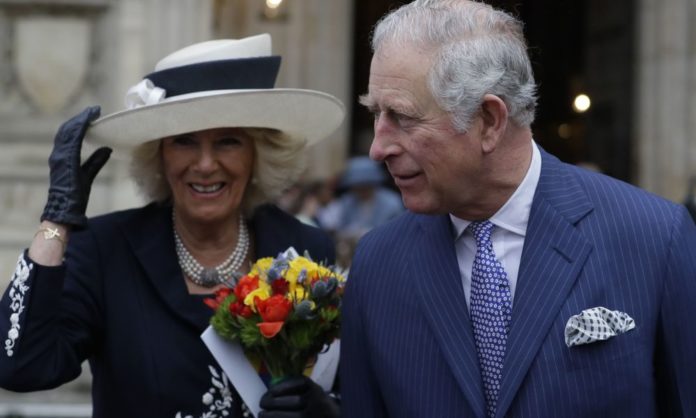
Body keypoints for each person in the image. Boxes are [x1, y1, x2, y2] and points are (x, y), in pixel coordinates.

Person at [340, 1, 696, 418]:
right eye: (375, 114)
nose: (378, 148)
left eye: (401, 116)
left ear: (490, 120)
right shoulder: (378, 263)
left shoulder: (654, 237)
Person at [0, 34, 342, 418]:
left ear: (257, 154)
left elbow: (347, 386)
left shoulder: (303, 249)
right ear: (159, 155)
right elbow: (21, 366)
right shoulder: (106, 250)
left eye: (228, 141)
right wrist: (57, 221)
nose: (206, 164)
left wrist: (326, 409)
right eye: (184, 141)